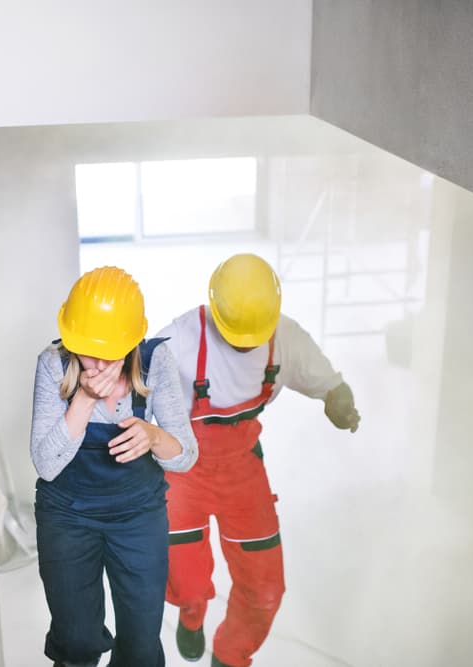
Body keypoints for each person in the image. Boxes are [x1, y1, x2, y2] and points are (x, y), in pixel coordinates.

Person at [157, 253, 360, 667]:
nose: (246, 343)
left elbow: (328, 381)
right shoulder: (179, 339)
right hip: (182, 465)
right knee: (187, 580)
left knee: (265, 587)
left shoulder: (285, 338)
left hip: (242, 469)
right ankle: (191, 612)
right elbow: (133, 387)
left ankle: (230, 655)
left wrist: (338, 398)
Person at [30, 266, 199, 667]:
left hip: (138, 515)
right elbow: (46, 464)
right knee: (76, 641)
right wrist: (84, 400)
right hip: (67, 516)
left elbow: (186, 455)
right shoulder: (54, 364)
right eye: (88, 350)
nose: (98, 365)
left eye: (110, 354)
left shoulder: (155, 361)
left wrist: (154, 437)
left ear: (130, 341)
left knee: (141, 647)